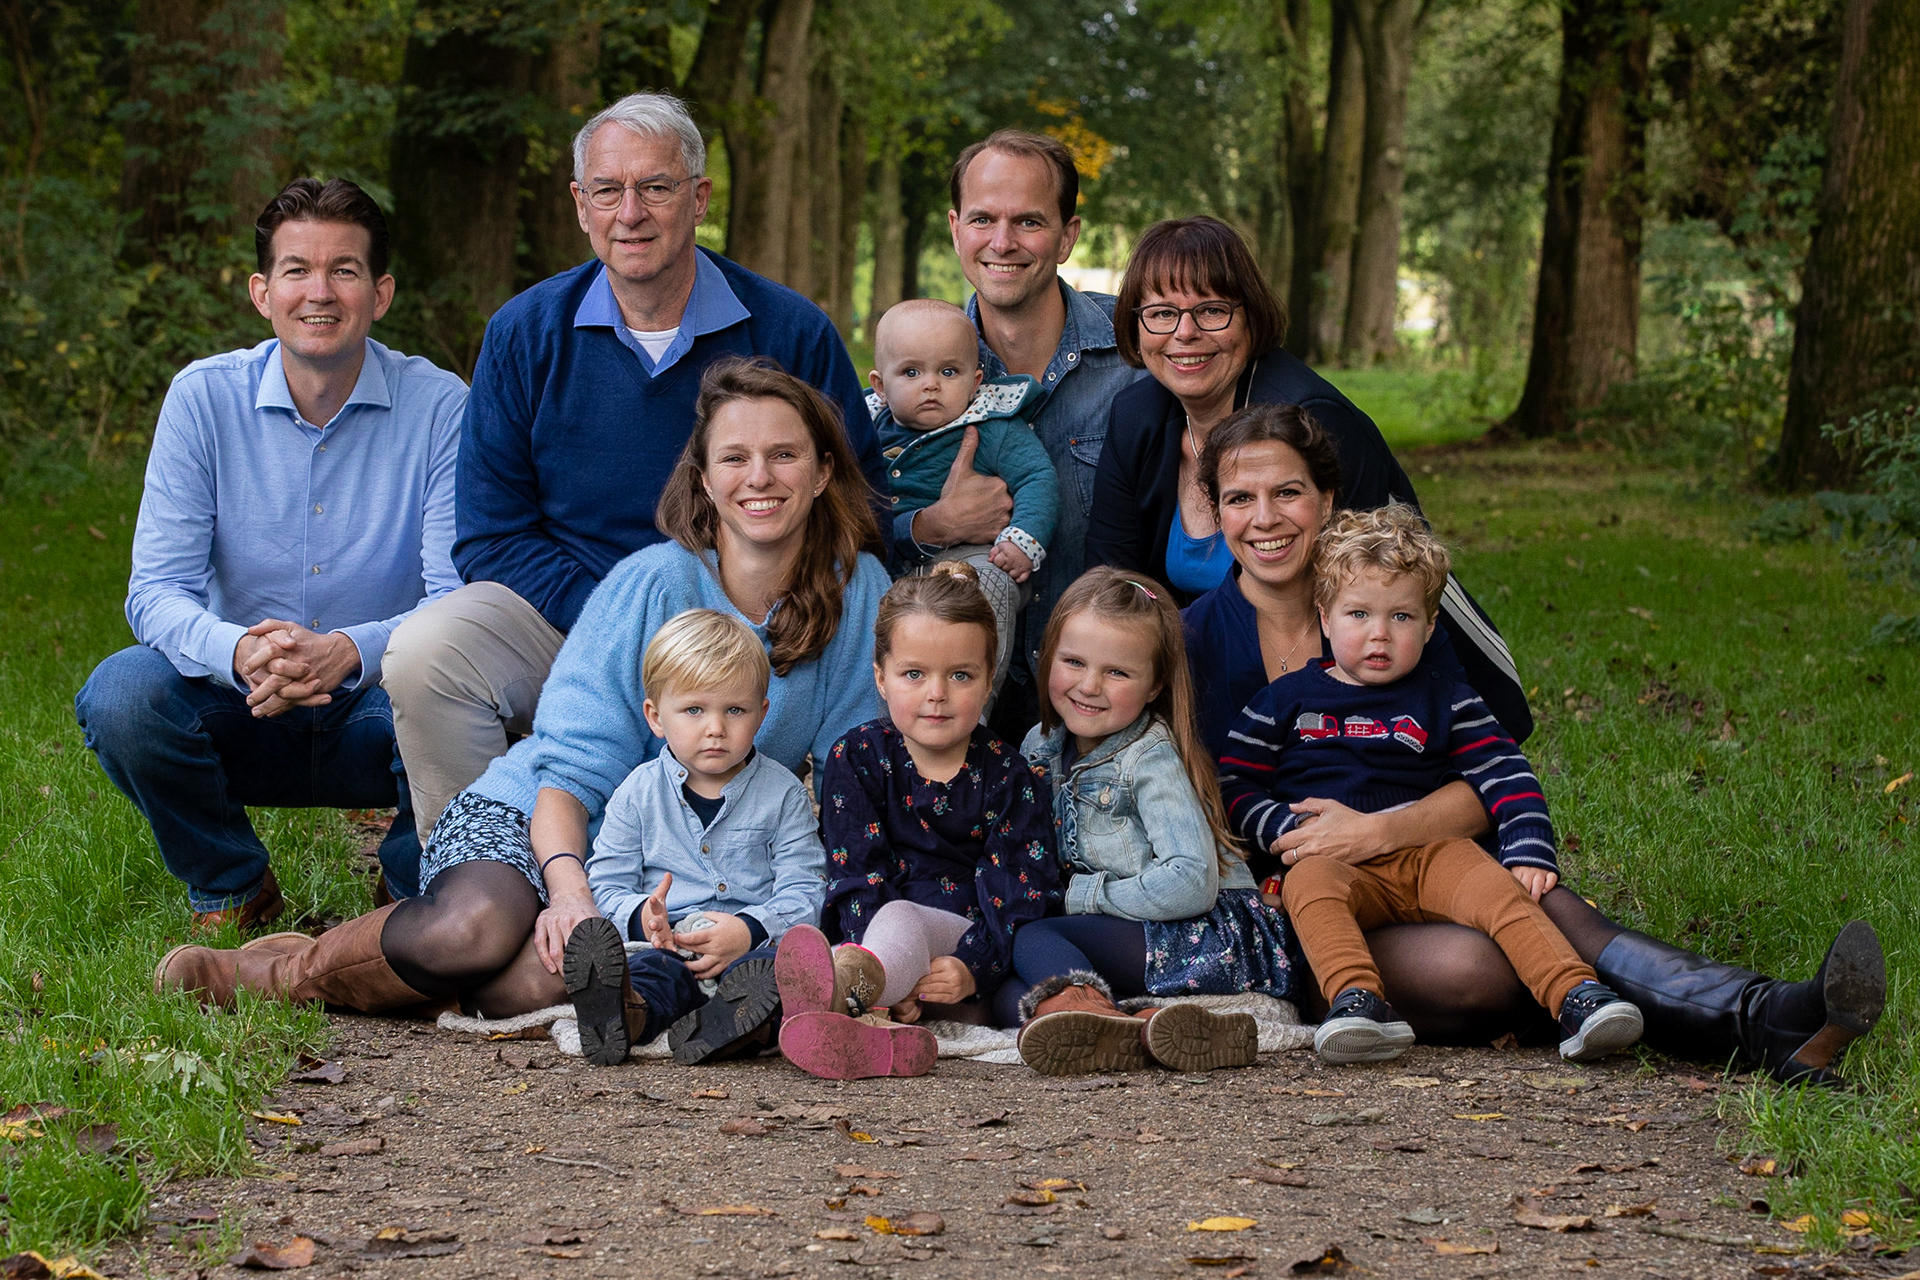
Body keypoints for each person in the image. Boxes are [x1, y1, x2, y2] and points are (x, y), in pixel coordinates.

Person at [153, 360, 888, 1029]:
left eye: (783, 455)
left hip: (668, 871)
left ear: (823, 472)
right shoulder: (649, 584)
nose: (759, 477)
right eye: (734, 457)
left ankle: (418, 980)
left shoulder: (857, 596)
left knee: (544, 983)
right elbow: (568, 771)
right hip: (540, 818)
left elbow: (855, 779)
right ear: (702, 479)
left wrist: (856, 930)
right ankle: (276, 973)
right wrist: (570, 895)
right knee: (471, 931)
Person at [1180, 407, 1887, 1085]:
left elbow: (1487, 770)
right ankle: (1730, 1022)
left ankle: (1766, 1016)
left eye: (1289, 492)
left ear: (1327, 499)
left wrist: (1380, 831)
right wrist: (1301, 837)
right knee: (1481, 968)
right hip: (1300, 905)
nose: (1265, 517)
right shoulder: (1192, 642)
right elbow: (1211, 798)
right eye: (1240, 498)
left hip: (1427, 859)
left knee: (1542, 907)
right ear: (1215, 512)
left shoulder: (1396, 608)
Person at [383, 92, 891, 839]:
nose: (630, 213)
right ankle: (460, 857)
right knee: (428, 651)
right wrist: (621, 622)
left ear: (699, 198)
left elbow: (859, 502)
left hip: (748, 629)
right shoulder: (525, 333)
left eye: (655, 187)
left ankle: (722, 869)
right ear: (579, 204)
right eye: (607, 191)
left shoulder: (789, 331)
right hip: (567, 617)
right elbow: (491, 535)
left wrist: (750, 615)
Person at [76, 177, 462, 926]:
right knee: (122, 695)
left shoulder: (442, 407)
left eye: (344, 270)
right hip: (241, 702)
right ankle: (233, 887)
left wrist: (346, 651)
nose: (320, 292)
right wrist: (240, 652)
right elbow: (154, 591)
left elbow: (456, 601)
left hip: (383, 707)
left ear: (380, 294)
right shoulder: (202, 399)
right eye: (297, 270)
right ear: (262, 293)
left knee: (483, 690)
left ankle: (407, 889)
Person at [1218, 504, 1644, 1066]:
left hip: (1430, 853)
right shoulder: (1284, 700)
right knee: (1310, 886)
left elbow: (1506, 770)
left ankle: (1577, 996)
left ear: (1430, 625)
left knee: (1500, 890)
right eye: (1358, 614)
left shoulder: (1447, 698)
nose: (1379, 634)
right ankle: (1357, 1002)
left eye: (1401, 617)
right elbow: (1235, 782)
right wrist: (1284, 828)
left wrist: (1528, 847)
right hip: (1331, 859)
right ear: (1325, 617)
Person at [1086, 215, 1530, 743]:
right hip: (1217, 676)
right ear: (1136, 326)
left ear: (1250, 317)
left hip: (1364, 682)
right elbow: (1114, 580)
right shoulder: (1136, 417)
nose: (1186, 333)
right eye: (1162, 313)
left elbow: (1386, 580)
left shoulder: (1310, 419)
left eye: (1212, 310)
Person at [775, 564, 1061, 1080]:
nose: (937, 693)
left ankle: (846, 999)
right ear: (880, 678)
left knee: (900, 920)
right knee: (841, 943)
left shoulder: (1008, 774)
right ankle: (874, 1025)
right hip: (875, 941)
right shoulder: (855, 757)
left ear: (988, 681)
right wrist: (891, 969)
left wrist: (974, 966)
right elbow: (856, 874)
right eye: (914, 674)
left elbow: (1018, 889)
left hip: (963, 946)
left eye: (961, 675)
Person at [1010, 568, 1292, 1077]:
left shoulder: (1149, 756)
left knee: (1033, 940)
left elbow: (1192, 881)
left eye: (1117, 672)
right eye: (1073, 662)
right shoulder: (1040, 745)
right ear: (1047, 655)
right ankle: (1144, 1026)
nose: (1089, 686)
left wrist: (1081, 896)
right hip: (1136, 934)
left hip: (1204, 934)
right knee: (1016, 992)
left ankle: (1100, 1017)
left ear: (1154, 684)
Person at [938, 130, 1145, 724]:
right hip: (962, 705)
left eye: (1028, 221)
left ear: (1067, 236)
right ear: (955, 229)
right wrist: (932, 526)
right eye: (982, 219)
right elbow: (861, 528)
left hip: (1103, 704)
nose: (1002, 242)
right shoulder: (918, 366)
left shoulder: (1138, 356)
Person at [562, 609, 827, 1067]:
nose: (715, 728)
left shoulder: (782, 792)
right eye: (694, 710)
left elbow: (807, 887)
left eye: (735, 710)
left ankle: (736, 1027)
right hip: (668, 947)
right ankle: (625, 1016)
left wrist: (749, 929)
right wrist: (643, 918)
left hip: (750, 951)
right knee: (651, 974)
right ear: (656, 716)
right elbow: (605, 884)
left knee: (780, 974)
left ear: (761, 714)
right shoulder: (637, 793)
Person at [866, 298, 1057, 701]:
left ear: (974, 382)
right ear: (880, 386)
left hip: (971, 556)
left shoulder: (991, 427)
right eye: (911, 372)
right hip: (888, 561)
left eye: (949, 372)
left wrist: (1022, 539)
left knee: (985, 588)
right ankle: (884, 711)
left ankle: (974, 709)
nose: (931, 384)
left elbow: (1037, 477)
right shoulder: (865, 431)